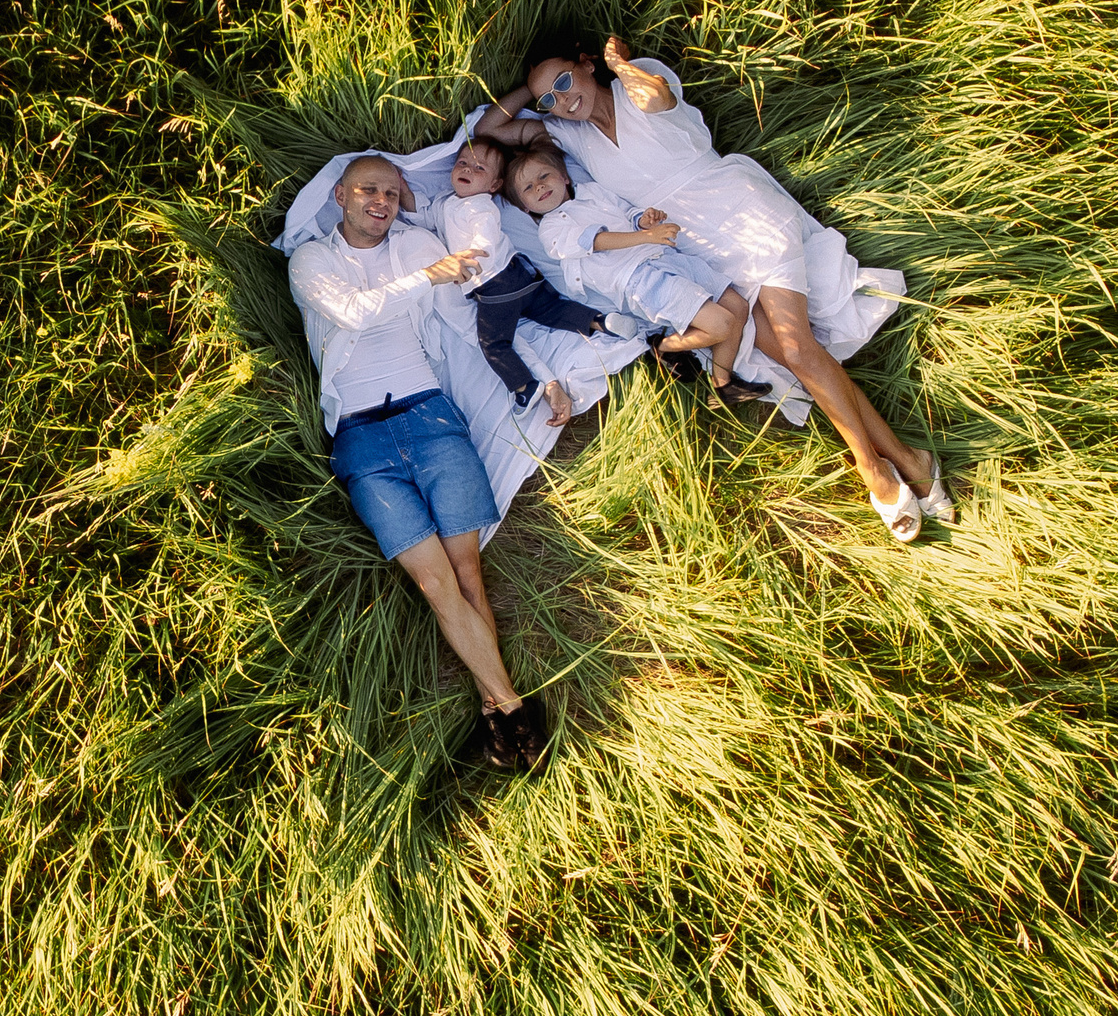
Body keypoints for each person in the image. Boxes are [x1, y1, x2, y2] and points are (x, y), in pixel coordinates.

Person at [478, 32, 952, 541]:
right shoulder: (567, 136)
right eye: (550, 97)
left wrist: (615, 64)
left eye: (566, 81)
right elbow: (487, 128)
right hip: (697, 247)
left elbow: (656, 95)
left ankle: (873, 469)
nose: (561, 100)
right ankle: (907, 457)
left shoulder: (635, 84)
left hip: (743, 210)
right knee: (798, 353)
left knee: (796, 345)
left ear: (589, 64)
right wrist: (541, 92)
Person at [287, 153, 549, 770]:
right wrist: (429, 275)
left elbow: (467, 317)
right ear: (342, 195)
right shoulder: (312, 261)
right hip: (361, 438)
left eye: (391, 190)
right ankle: (511, 705)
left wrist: (538, 376)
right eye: (368, 190)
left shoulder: (417, 245)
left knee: (467, 572)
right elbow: (354, 311)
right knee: (433, 582)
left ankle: (495, 715)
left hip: (430, 414)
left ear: (403, 198)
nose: (380, 200)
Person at [502, 141, 763, 404]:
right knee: (722, 324)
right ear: (524, 207)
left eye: (544, 176)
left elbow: (627, 212)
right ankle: (663, 347)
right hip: (638, 279)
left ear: (564, 177)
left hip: (666, 257)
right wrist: (646, 236)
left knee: (737, 306)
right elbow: (597, 240)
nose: (539, 186)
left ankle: (722, 385)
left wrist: (644, 220)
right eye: (528, 188)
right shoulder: (551, 230)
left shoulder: (592, 192)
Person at [426, 135, 599, 426]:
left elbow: (486, 237)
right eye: (462, 164)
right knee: (551, 309)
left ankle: (524, 387)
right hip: (522, 275)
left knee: (494, 343)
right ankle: (598, 321)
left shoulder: (479, 206)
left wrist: (471, 262)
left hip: (495, 285)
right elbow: (426, 214)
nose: (467, 170)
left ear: (494, 186)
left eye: (479, 169)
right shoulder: (448, 203)